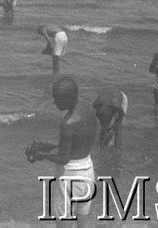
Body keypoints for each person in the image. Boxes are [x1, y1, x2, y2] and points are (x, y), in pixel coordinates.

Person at [34, 77, 98, 227]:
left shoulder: (68, 122)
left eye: (57, 99)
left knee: (63, 223)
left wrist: (41, 155)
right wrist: (49, 146)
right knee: (82, 220)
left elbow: (63, 158)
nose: (55, 102)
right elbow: (76, 144)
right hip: (88, 170)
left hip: (69, 176)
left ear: (69, 97)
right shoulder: (89, 110)